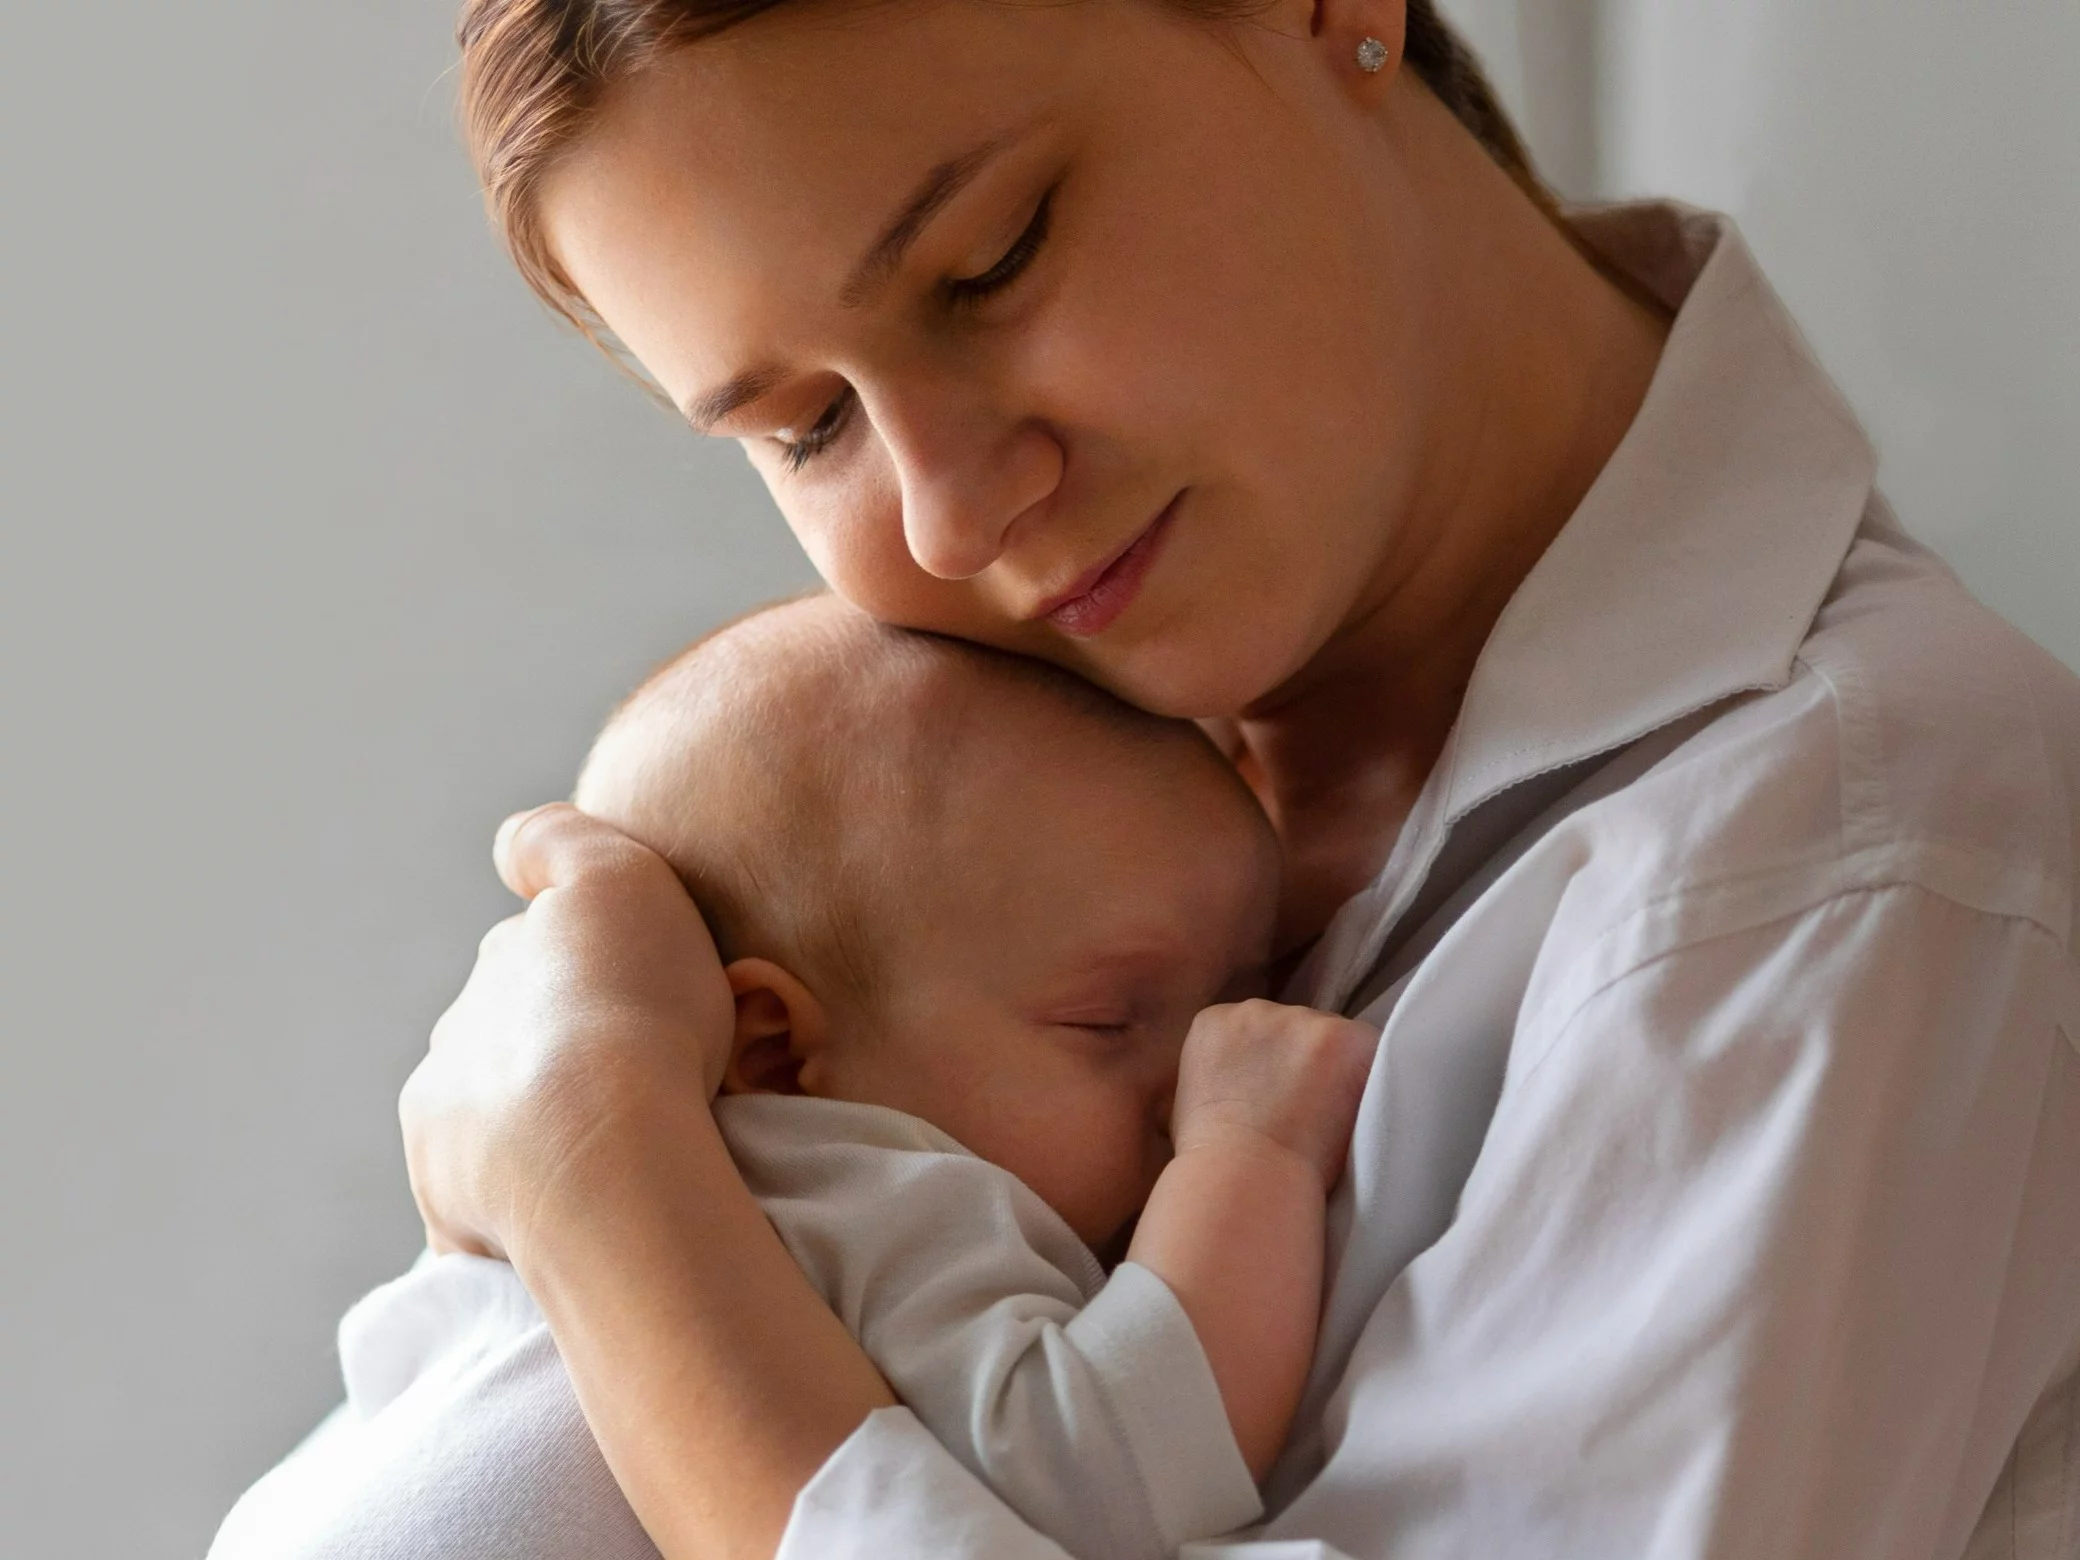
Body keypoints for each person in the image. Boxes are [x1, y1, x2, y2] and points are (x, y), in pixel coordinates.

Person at [392, 1, 2080, 1558]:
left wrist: (596, 1179)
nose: (951, 516)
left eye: (993, 261)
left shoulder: (1847, 869)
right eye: (805, 429)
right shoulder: (936, 801)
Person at [208, 596, 1381, 1559]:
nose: (1201, 1066)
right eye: (1110, 1017)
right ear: (774, 1049)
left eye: (1242, 988)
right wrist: (1252, 1155)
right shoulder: (857, 1179)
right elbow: (1097, 1480)